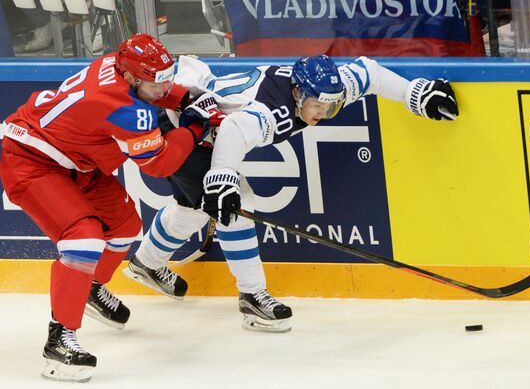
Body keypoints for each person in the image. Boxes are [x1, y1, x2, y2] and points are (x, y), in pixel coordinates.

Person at [123, 54, 459, 333]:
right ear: (298, 93)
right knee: (236, 204)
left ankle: (147, 263)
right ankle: (253, 298)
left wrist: (415, 94)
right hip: (181, 125)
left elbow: (368, 72)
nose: (322, 115)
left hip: (203, 121)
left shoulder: (324, 86)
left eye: (331, 107)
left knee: (197, 207)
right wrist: (223, 175)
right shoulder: (275, 111)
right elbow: (235, 129)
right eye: (317, 106)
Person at [0, 33, 209, 382]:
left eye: (166, 79)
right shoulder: (124, 109)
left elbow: (155, 89)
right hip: (31, 161)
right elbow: (160, 164)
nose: (163, 88)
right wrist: (195, 125)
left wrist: (186, 97)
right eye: (156, 83)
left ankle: (89, 288)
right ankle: (59, 340)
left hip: (76, 161)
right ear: (129, 77)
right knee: (83, 238)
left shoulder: (119, 64)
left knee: (125, 227)